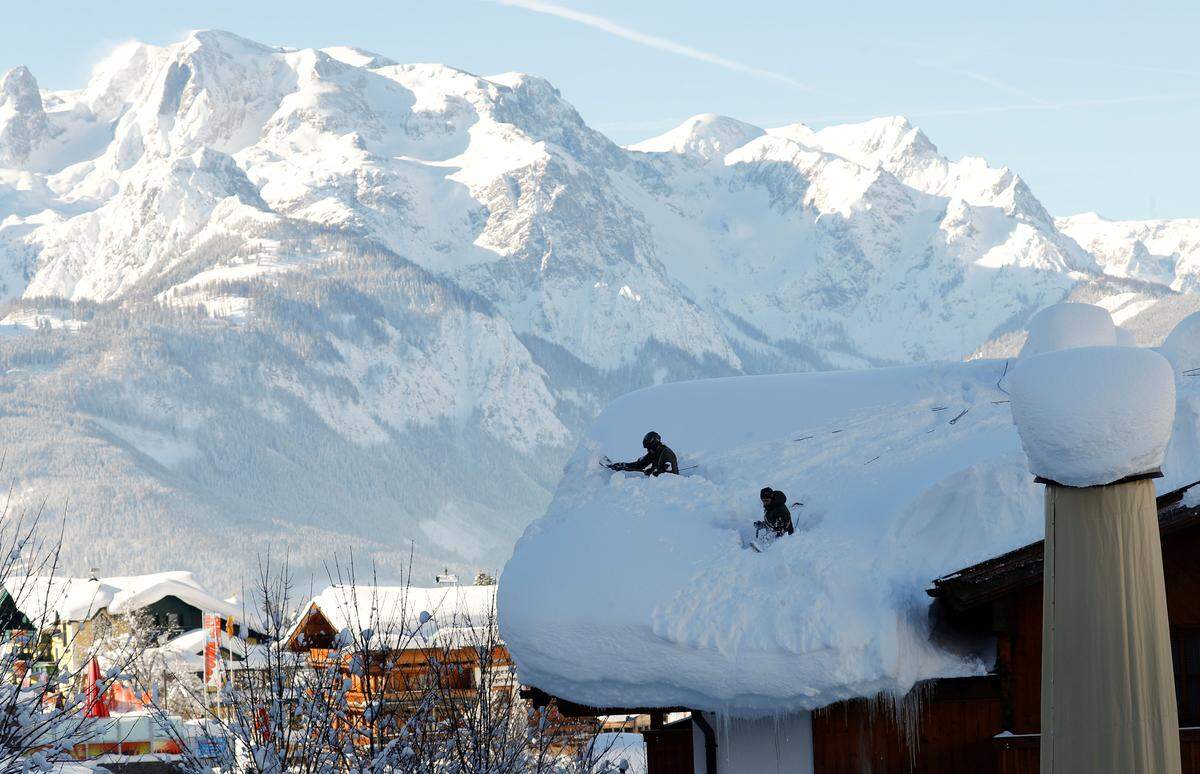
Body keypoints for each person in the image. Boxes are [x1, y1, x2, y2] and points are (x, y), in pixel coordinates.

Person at [606, 431, 679, 476]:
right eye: (647, 448)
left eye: (649, 447)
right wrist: (621, 466)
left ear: (655, 444)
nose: (648, 450)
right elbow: (639, 465)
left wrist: (652, 471)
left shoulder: (666, 453)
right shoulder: (654, 452)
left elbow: (669, 475)